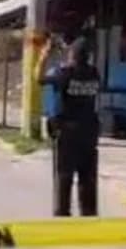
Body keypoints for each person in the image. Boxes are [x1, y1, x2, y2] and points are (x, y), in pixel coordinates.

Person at [43, 22, 101, 217]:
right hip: (89, 131)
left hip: (67, 132)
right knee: (87, 177)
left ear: (73, 56)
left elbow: (38, 78)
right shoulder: (94, 74)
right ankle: (89, 213)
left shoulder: (64, 73)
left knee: (64, 175)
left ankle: (62, 213)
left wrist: (45, 53)